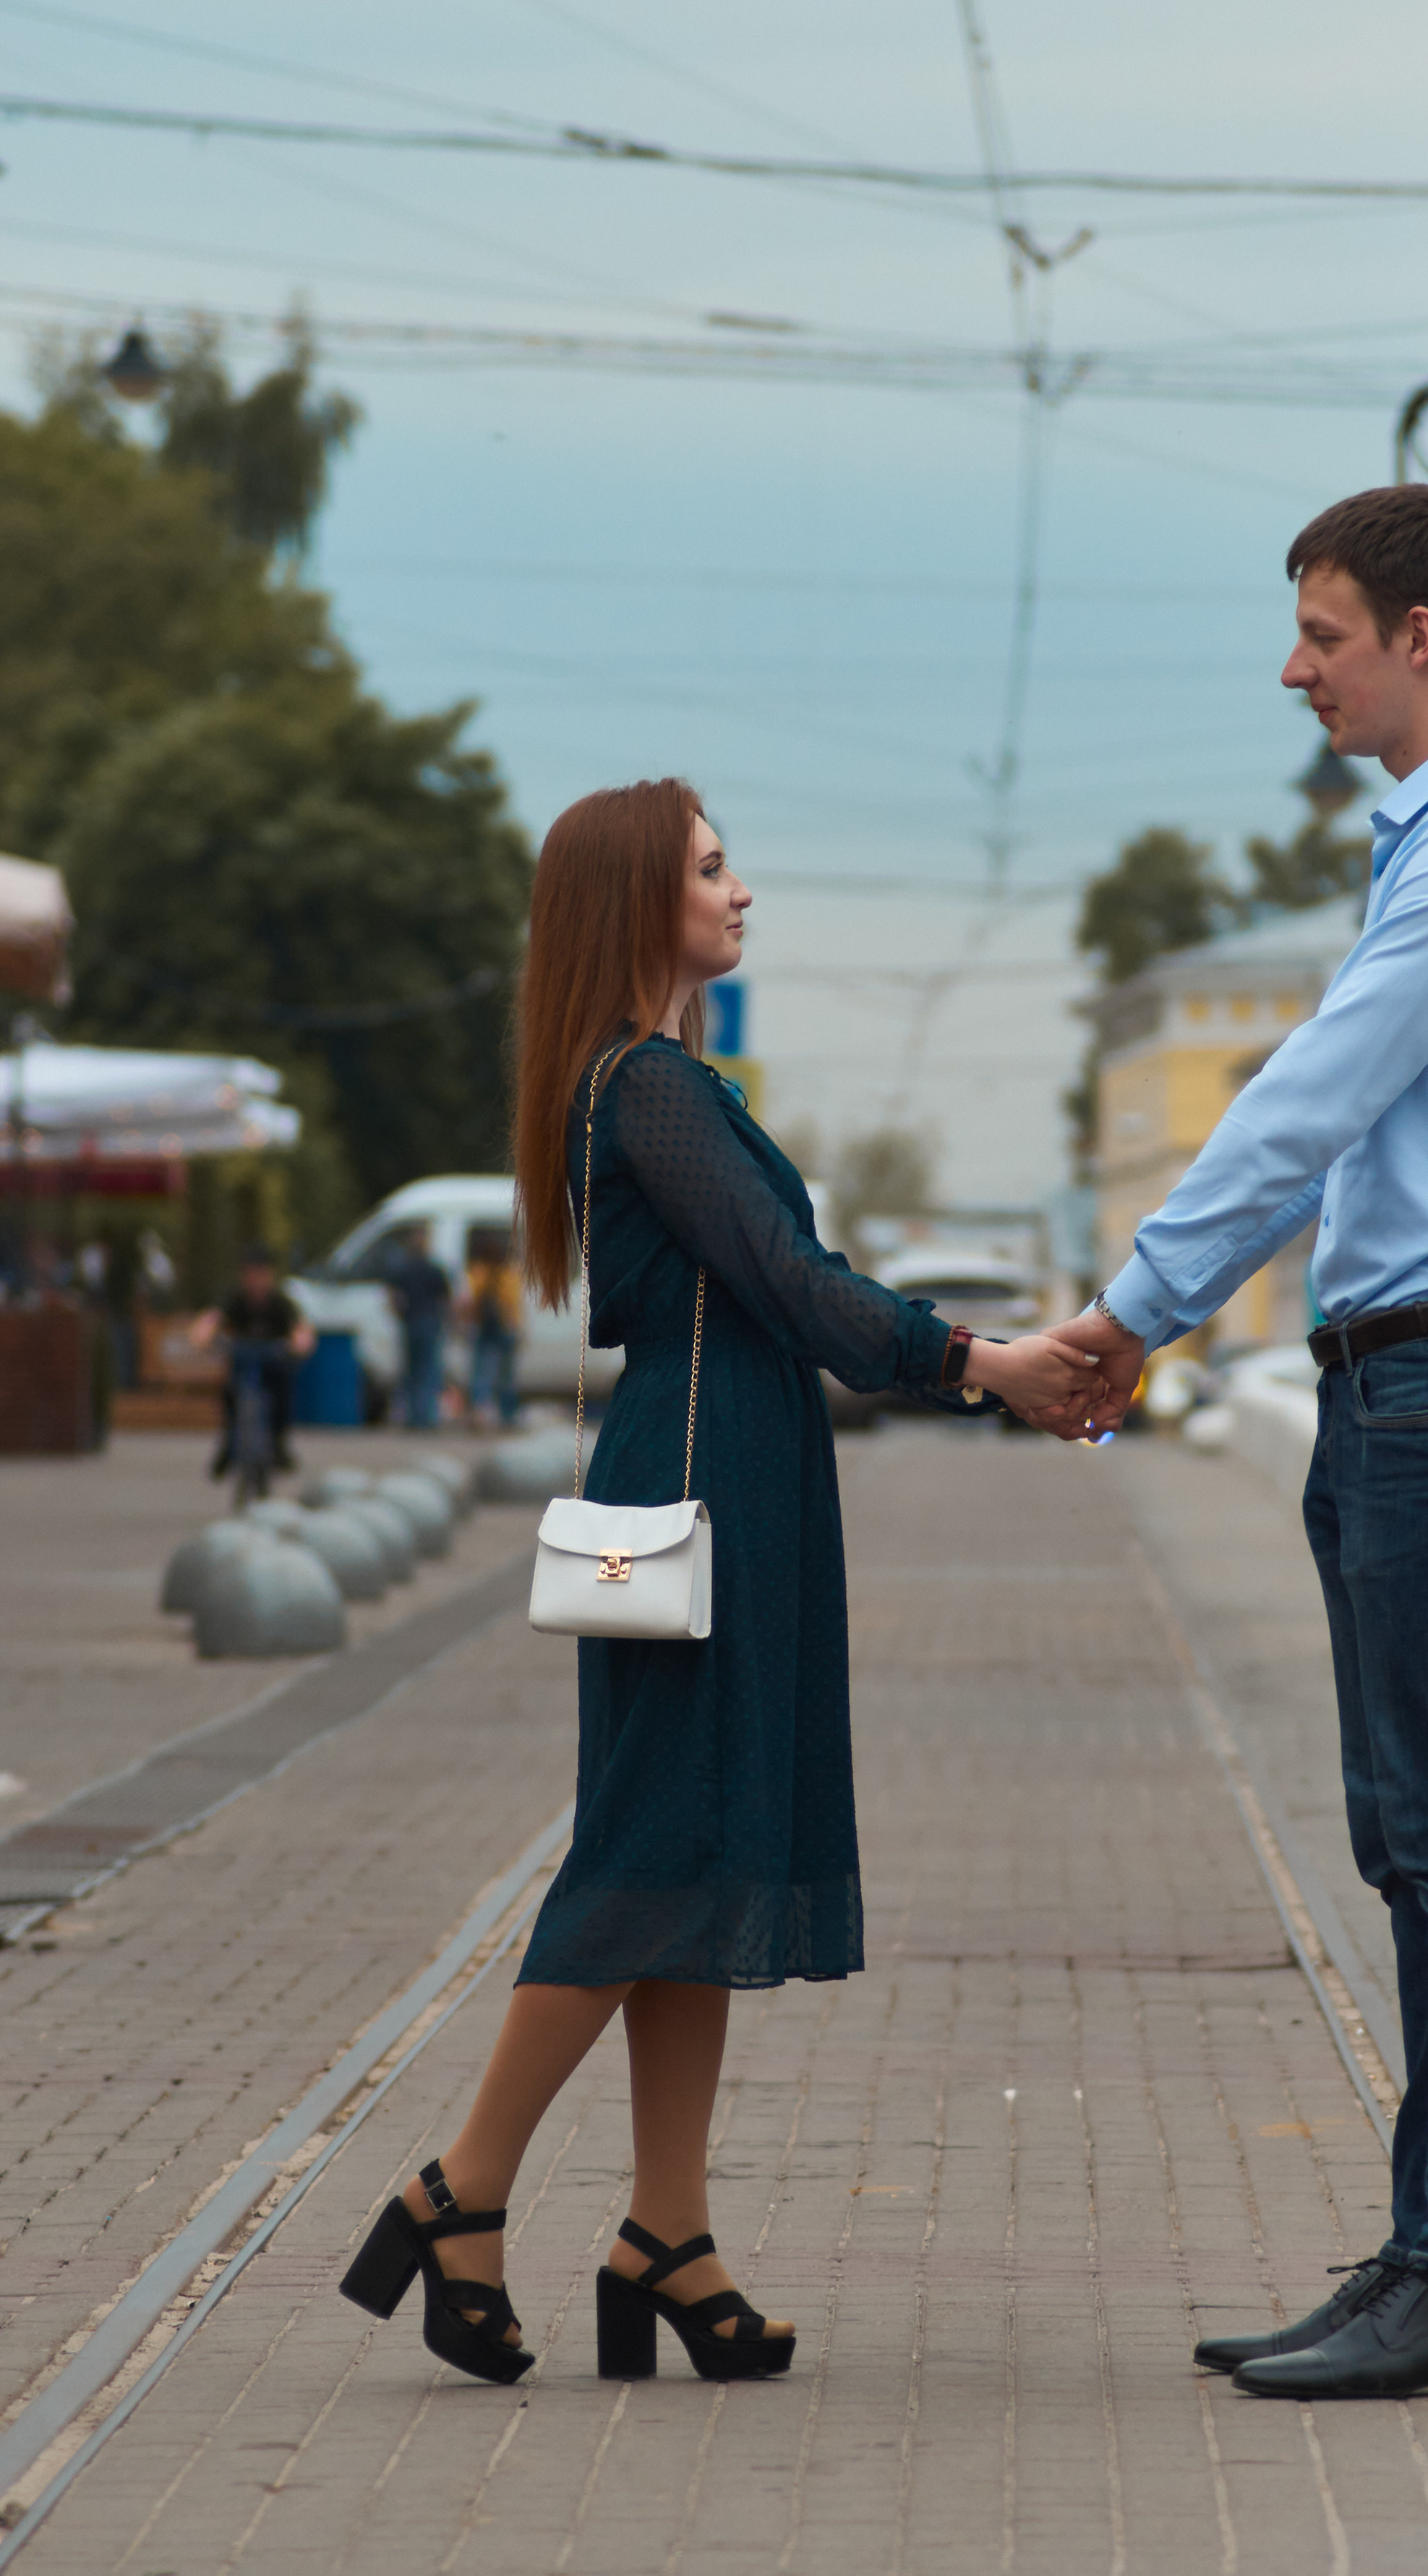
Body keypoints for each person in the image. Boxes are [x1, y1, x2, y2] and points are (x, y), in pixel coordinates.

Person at [338, 778, 1102, 2387]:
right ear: (637, 905)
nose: (741, 890)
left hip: (722, 1481)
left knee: (701, 1862)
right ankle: (456, 2188)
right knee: (640, 1856)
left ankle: (663, 2238)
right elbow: (793, 1287)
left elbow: (773, 1287)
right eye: (708, 868)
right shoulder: (651, 1089)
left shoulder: (651, 1083)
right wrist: (980, 1363)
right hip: (696, 1497)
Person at [1055, 484, 1428, 2399]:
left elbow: (1305, 1101)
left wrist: (1129, 1318)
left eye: (1324, 634)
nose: (1298, 670)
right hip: (1413, 1384)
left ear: (1424, 641)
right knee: (1416, 1841)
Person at [190, 1244, 316, 1478]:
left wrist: (298, 1345)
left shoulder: (280, 1304)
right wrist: (204, 1338)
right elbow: (212, 1320)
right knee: (229, 1393)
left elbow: (300, 1329)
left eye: (261, 1273)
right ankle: (229, 1445)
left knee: (283, 1391)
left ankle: (278, 1443)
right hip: (243, 1361)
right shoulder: (236, 1300)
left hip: (272, 1363)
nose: (256, 1280)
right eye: (251, 1273)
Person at [387, 1222, 452, 1430]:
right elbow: (446, 1298)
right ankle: (426, 1418)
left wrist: (400, 1314)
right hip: (430, 1323)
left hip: (411, 1323)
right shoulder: (433, 1268)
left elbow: (393, 1296)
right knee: (428, 1372)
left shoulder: (403, 1268)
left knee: (411, 1372)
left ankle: (413, 1417)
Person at [462, 1224, 523, 1428]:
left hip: (484, 1327)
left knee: (481, 1371)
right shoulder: (509, 1272)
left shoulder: (478, 1271)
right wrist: (518, 1328)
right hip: (506, 1327)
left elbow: (470, 1301)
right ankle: (507, 1415)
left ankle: (480, 1412)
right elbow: (514, 1303)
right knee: (507, 1374)